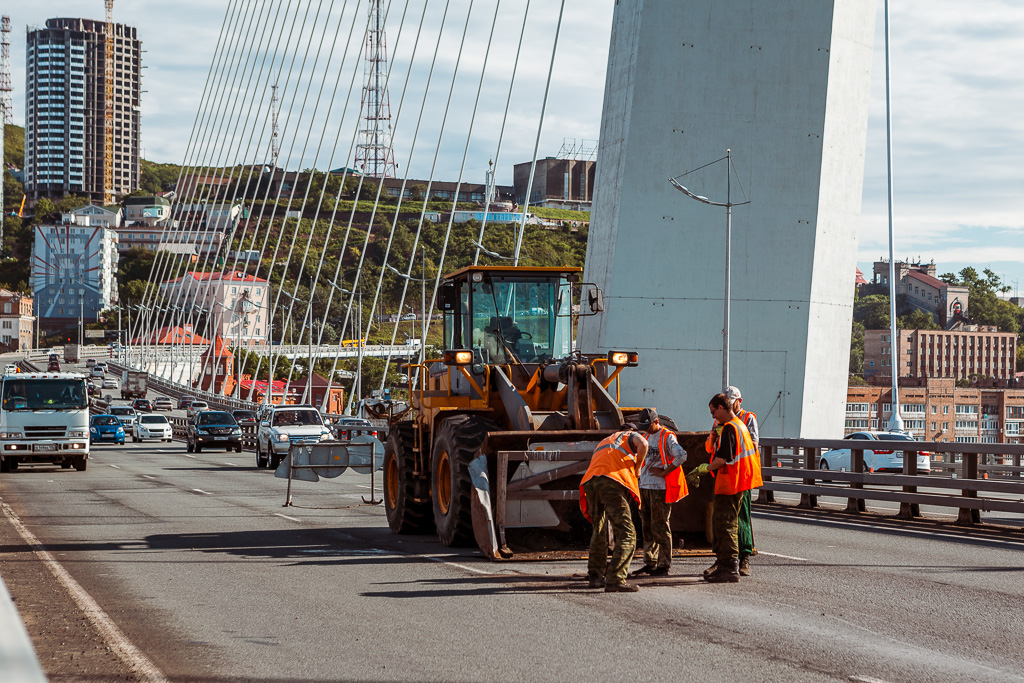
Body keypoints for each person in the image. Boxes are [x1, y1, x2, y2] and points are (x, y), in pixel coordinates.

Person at [580, 424, 649, 592]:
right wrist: (638, 466)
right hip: (611, 482)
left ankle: (595, 576)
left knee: (599, 530)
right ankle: (615, 579)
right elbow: (644, 444)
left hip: (591, 481)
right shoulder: (629, 436)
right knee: (627, 533)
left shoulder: (605, 441)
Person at [704, 392, 762, 583]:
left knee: (726, 526)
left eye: (714, 412)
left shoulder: (730, 428)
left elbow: (722, 459)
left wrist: (704, 469)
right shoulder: (739, 426)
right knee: (728, 524)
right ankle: (725, 565)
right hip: (738, 483)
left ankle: (729, 568)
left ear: (721, 407)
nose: (713, 417)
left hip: (730, 484)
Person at [631, 407, 688, 577]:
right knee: (647, 526)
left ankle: (664, 564)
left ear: (657, 422)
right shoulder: (645, 436)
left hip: (659, 489)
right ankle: (650, 562)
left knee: (660, 526)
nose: (646, 429)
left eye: (648, 425)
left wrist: (664, 472)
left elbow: (681, 455)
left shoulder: (667, 436)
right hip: (645, 487)